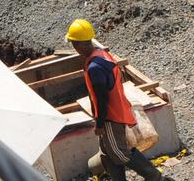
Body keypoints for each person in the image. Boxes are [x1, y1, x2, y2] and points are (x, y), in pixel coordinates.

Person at [65, 19, 162, 181]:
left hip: (111, 117)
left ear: (79, 44)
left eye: (74, 44)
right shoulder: (102, 55)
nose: (74, 48)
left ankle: (154, 176)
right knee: (107, 152)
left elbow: (102, 99)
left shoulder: (94, 69)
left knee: (119, 153)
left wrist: (100, 124)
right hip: (118, 110)